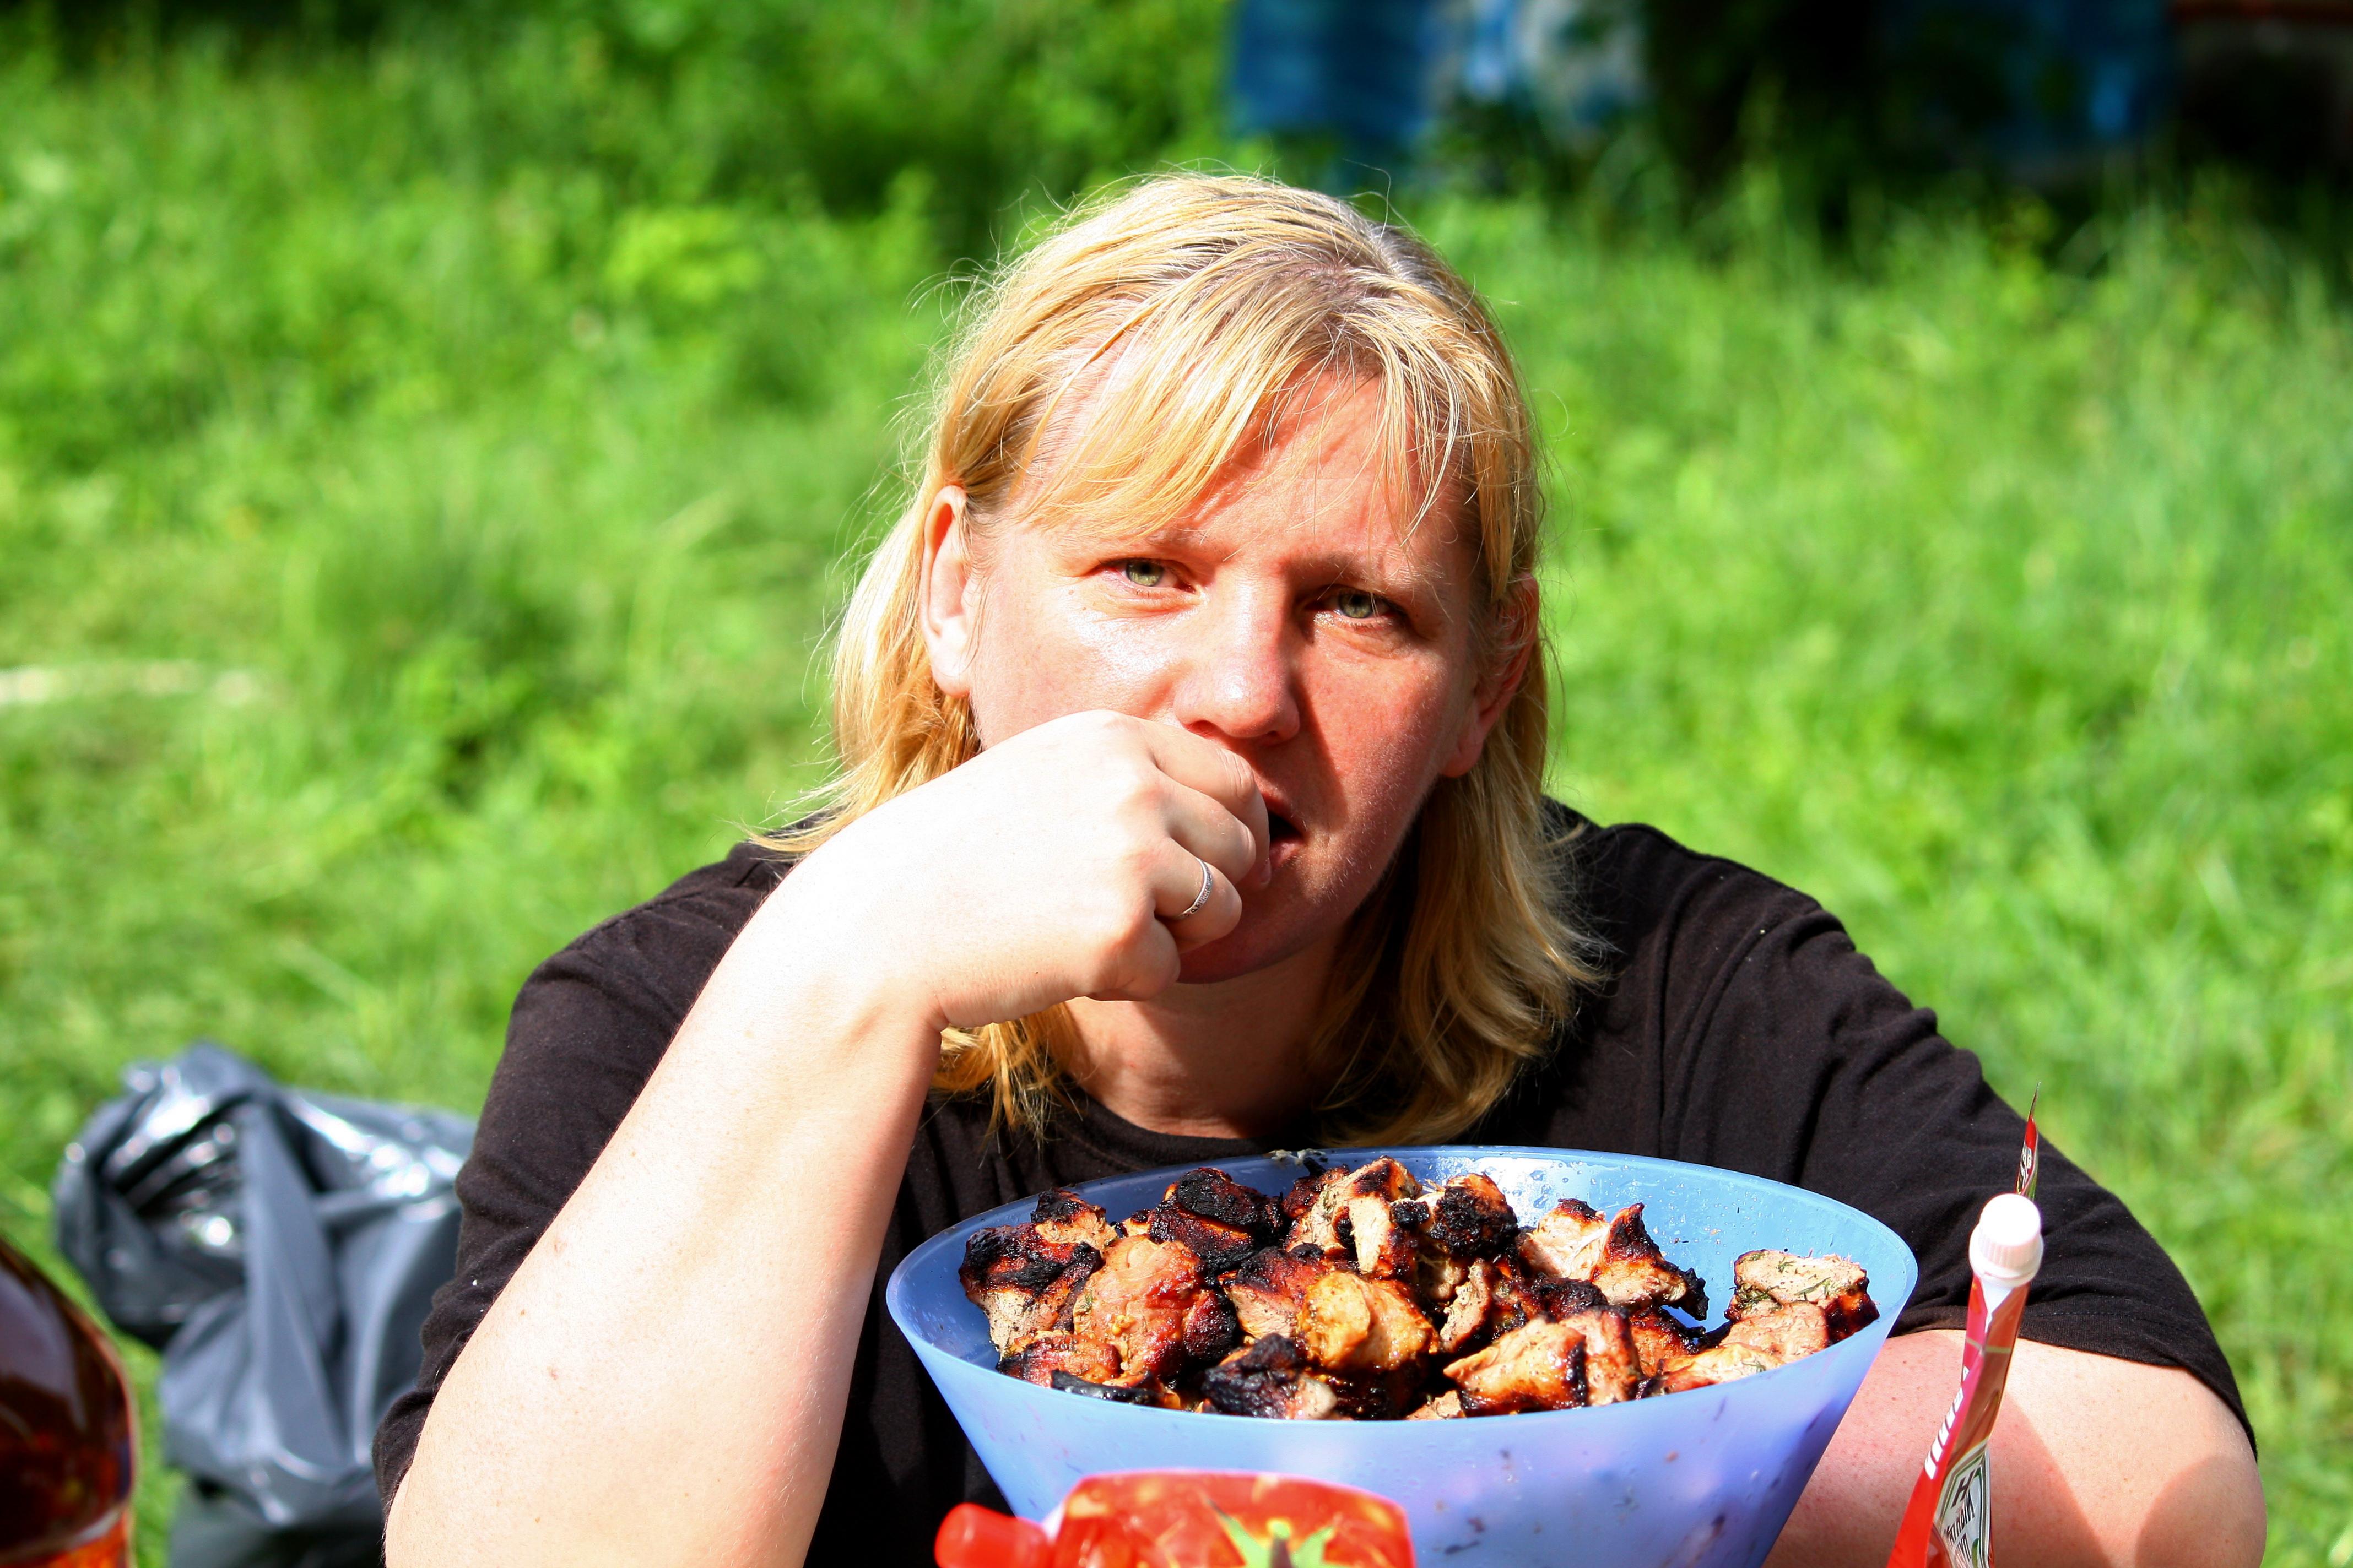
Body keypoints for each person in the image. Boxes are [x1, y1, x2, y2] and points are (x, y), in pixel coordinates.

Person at [375, 175, 2263, 1567]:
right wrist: (851, 972)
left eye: (1358, 608)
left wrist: (1554, 1482)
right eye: (1144, 572)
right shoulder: (694, 1008)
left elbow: (2162, 1477)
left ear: (1482, 689)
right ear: (955, 590)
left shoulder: (1687, 981)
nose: (1240, 694)